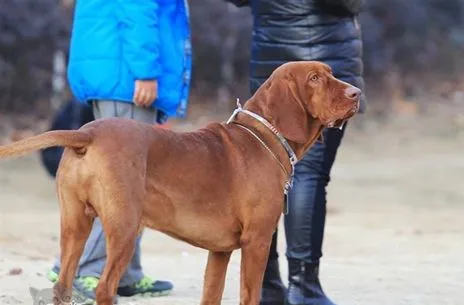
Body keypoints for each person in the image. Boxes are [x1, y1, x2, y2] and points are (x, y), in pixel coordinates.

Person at [45, 0, 193, 302]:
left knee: (136, 182)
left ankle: (125, 272)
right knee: (118, 184)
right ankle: (85, 269)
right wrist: (145, 70)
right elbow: (136, 6)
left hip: (119, 71)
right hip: (127, 76)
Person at [227, 1, 366, 304]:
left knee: (265, 179)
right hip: (320, 69)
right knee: (308, 176)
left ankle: (268, 285)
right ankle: (303, 284)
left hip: (269, 68)